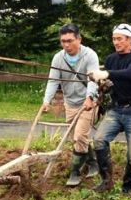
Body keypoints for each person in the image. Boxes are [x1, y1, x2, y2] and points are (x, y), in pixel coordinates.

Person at [88, 23, 131, 194]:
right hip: (115, 110)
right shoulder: (111, 59)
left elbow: (130, 74)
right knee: (98, 140)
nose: (116, 42)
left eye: (119, 39)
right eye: (114, 39)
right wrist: (101, 82)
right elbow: (110, 84)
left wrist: (107, 74)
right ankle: (106, 181)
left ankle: (127, 187)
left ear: (130, 40)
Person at [42, 23, 100, 187]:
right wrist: (47, 101)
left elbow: (93, 79)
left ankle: (74, 172)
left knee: (80, 136)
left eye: (70, 41)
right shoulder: (58, 58)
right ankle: (94, 162)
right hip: (70, 103)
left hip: (88, 103)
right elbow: (53, 81)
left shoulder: (90, 55)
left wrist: (90, 97)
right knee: (77, 138)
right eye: (63, 41)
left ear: (79, 39)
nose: (66, 45)